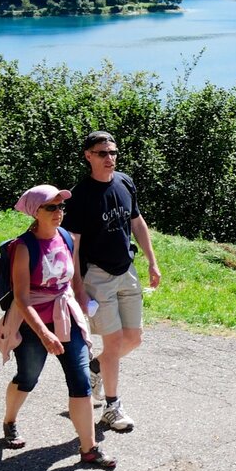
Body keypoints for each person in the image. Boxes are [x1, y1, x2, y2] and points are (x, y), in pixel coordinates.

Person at [0, 184, 116, 470]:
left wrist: (81, 305)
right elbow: (21, 298)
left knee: (80, 381)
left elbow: (74, 279)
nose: (59, 212)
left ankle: (89, 449)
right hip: (34, 322)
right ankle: (10, 421)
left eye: (61, 207)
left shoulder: (67, 238)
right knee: (28, 377)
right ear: (36, 212)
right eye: (52, 207)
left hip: (66, 317)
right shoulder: (24, 247)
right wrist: (44, 333)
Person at [67, 130, 161, 432]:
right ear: (88, 156)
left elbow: (136, 221)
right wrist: (77, 286)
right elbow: (75, 245)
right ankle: (112, 406)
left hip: (127, 270)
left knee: (134, 339)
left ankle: (96, 367)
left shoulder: (124, 182)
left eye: (114, 153)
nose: (110, 158)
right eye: (103, 153)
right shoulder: (80, 196)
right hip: (97, 276)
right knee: (115, 341)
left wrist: (152, 261)